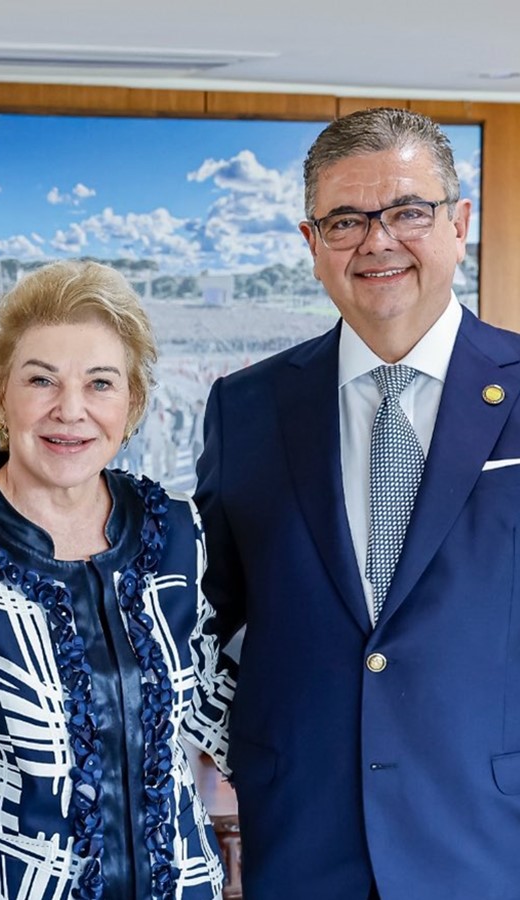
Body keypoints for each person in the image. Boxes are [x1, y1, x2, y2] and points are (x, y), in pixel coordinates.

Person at [194, 107, 520, 899]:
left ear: (460, 224)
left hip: (489, 838)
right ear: (313, 246)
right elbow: (210, 610)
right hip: (304, 837)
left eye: (408, 211)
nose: (378, 241)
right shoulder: (247, 407)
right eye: (345, 220)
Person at [0, 260, 233, 900]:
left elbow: (216, 701)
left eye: (100, 383)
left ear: (132, 402)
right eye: (41, 379)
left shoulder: (178, 533)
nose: (70, 410)